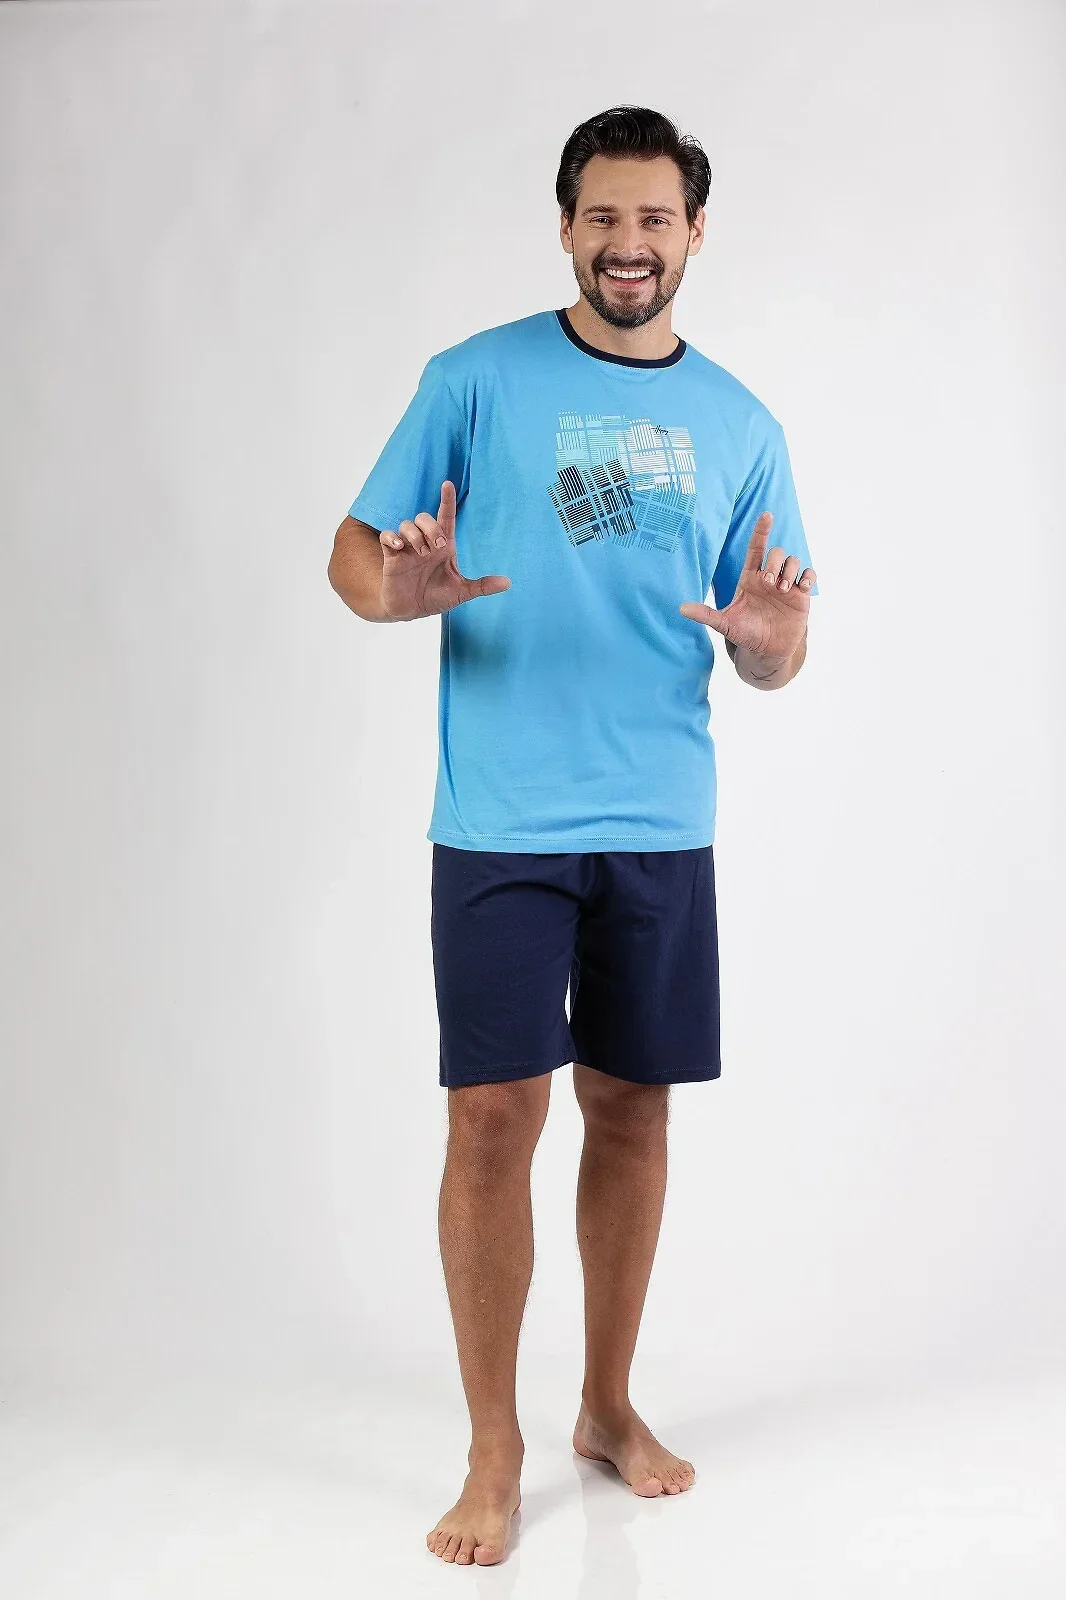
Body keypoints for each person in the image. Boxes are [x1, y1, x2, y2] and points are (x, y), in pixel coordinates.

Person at [327, 103, 819, 1568]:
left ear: (694, 235)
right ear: (565, 228)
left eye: (654, 219)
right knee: (493, 1117)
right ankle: (495, 1445)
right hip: (501, 818)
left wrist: (772, 642)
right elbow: (353, 557)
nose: (627, 243)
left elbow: (774, 649)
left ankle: (605, 1404)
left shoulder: (742, 424)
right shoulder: (473, 380)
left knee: (635, 1110)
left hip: (658, 818)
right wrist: (403, 592)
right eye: (602, 216)